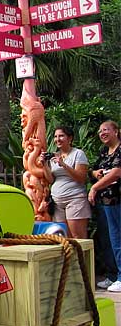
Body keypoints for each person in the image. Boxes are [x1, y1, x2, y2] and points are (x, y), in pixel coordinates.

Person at [89, 120, 121, 293]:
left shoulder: (120, 149)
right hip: (104, 201)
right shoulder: (103, 151)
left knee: (118, 237)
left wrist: (95, 186)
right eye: (100, 131)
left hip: (117, 199)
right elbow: (93, 170)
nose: (102, 133)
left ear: (116, 131)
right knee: (107, 239)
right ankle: (112, 275)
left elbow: (117, 172)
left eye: (106, 130)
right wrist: (96, 174)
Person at [42, 126, 90, 238]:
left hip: (74, 199)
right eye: (55, 136)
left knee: (77, 237)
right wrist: (44, 165)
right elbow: (51, 180)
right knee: (62, 236)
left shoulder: (78, 154)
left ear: (70, 138)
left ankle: (81, 256)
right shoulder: (53, 156)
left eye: (61, 136)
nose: (57, 139)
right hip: (57, 202)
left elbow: (81, 177)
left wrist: (63, 164)